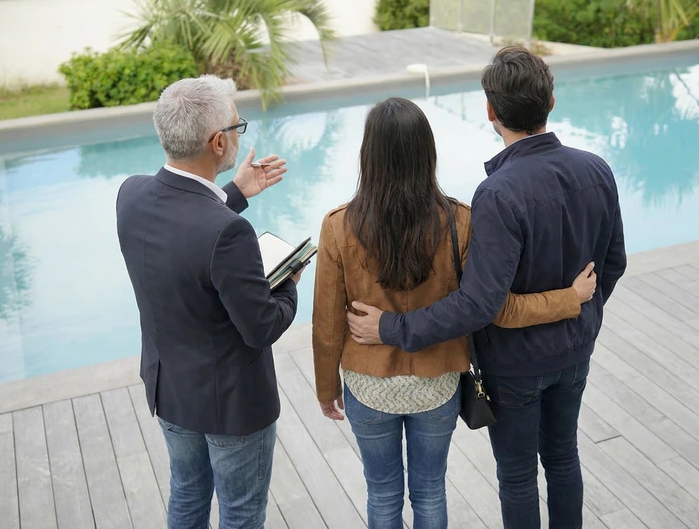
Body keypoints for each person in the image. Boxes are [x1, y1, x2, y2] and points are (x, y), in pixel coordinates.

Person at [347, 48, 627, 529]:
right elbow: (614, 264)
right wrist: (577, 311)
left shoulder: (498, 193)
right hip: (576, 351)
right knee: (563, 458)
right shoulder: (596, 168)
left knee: (518, 476)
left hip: (516, 369)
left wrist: (392, 327)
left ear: (491, 111)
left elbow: (479, 304)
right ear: (551, 101)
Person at [116, 75, 301, 529]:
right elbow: (260, 328)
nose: (241, 135)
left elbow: (185, 234)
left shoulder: (131, 195)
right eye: (239, 128)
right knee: (239, 513)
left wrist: (233, 194)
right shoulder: (226, 231)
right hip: (232, 408)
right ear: (218, 142)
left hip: (170, 391)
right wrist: (288, 281)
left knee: (187, 497)